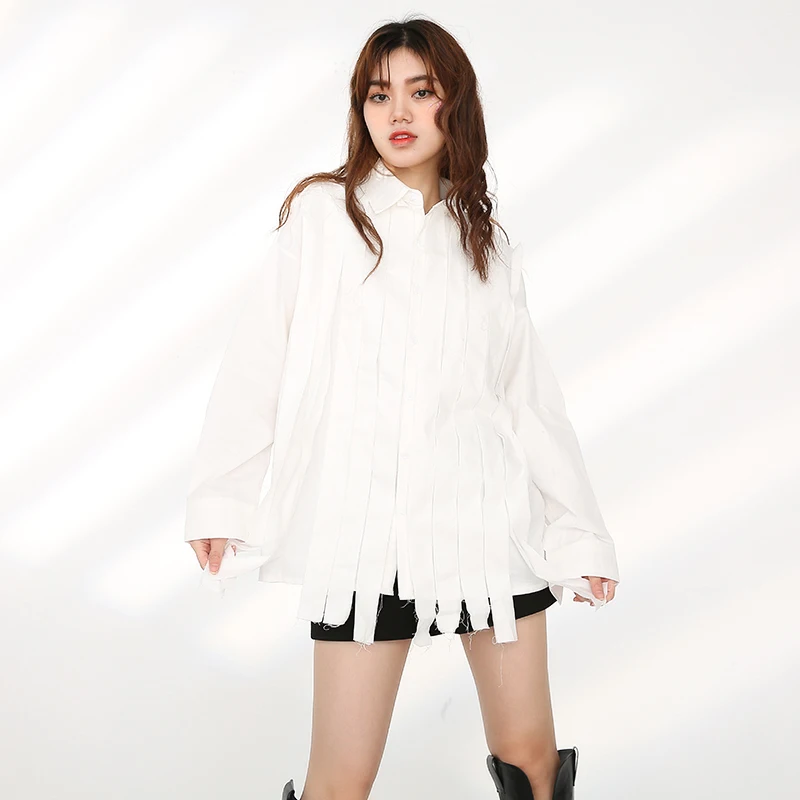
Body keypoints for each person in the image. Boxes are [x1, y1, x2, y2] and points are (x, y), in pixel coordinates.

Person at [184, 16, 620, 800]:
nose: (400, 113)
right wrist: (223, 496)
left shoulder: (486, 242)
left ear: (456, 104)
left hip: (486, 525)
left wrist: (577, 532)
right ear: (361, 109)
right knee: (340, 781)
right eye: (380, 95)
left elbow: (529, 401)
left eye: (422, 91)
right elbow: (256, 363)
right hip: (362, 540)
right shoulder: (324, 217)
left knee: (531, 759)